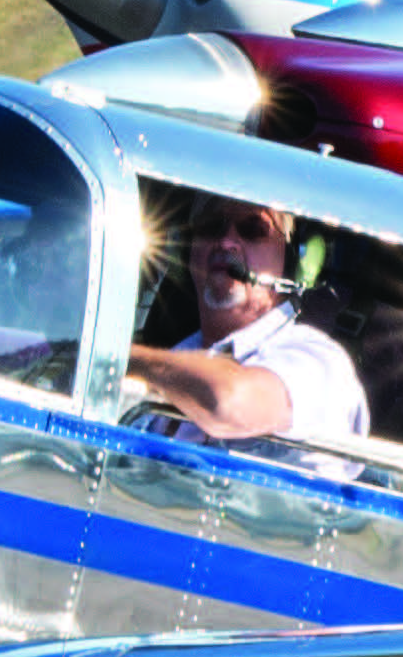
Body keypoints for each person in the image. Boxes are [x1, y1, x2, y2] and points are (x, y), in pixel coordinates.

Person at [124, 198, 369, 468]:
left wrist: (122, 360)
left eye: (252, 230)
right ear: (187, 252)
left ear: (295, 259)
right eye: (211, 226)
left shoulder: (318, 361)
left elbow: (226, 402)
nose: (226, 243)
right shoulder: (175, 358)